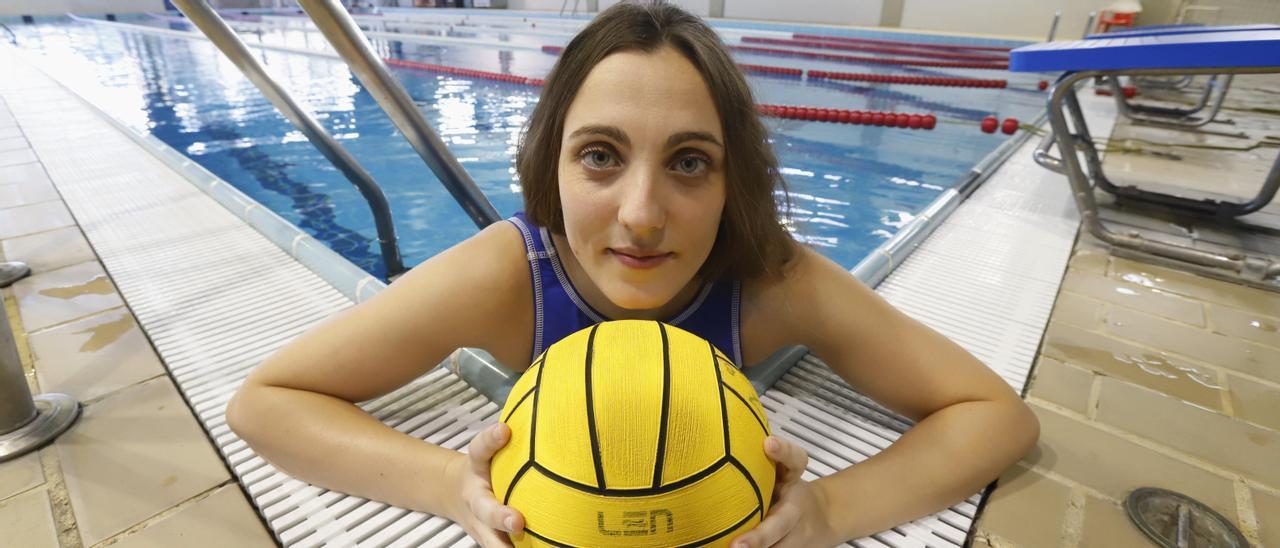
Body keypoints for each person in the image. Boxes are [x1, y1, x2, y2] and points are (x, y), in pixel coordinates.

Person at [226, 2, 1040, 547]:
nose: (642, 213)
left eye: (690, 162)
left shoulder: (768, 280)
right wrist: (451, 484)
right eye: (601, 157)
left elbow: (996, 417)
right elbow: (265, 403)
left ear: (733, 185)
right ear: (552, 167)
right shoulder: (508, 274)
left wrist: (828, 508)